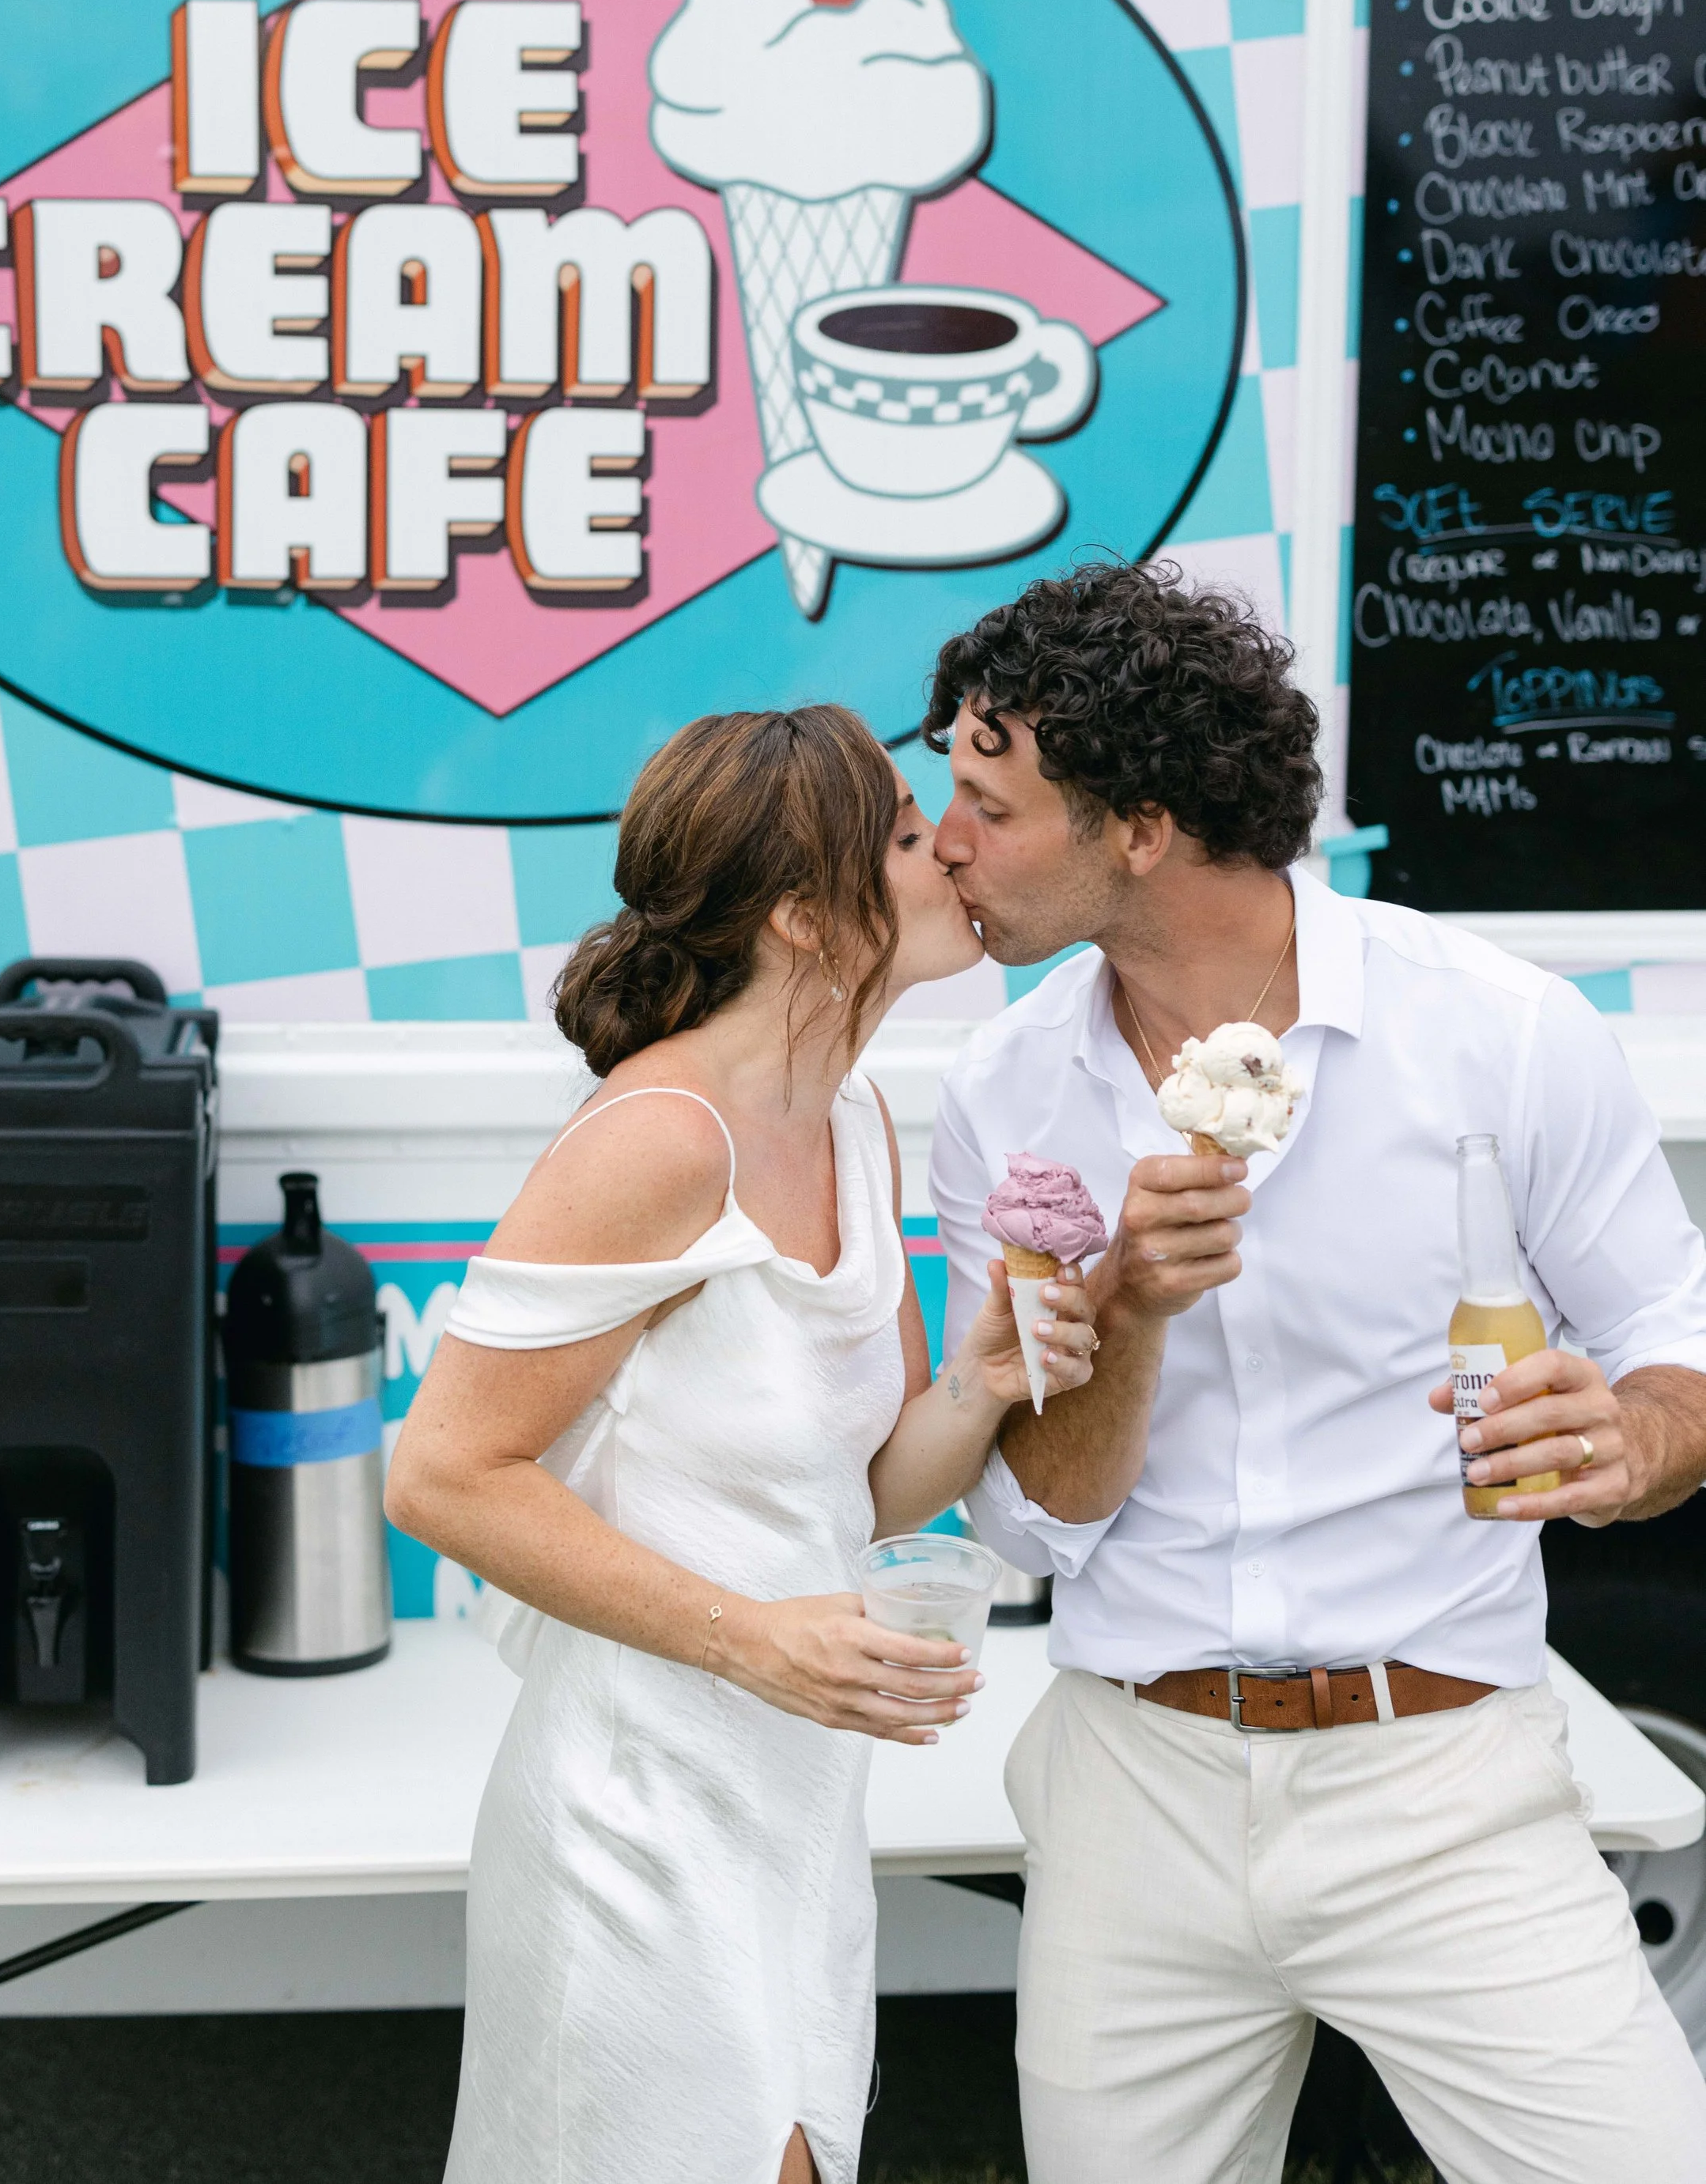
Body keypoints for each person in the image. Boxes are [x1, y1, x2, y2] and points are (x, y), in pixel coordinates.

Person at [923, 559, 1706, 2184]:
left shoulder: (1494, 1028)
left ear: (1138, 823)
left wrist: (1628, 1442)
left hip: (1443, 1780)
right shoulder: (1001, 1089)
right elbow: (1028, 1528)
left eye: (988, 803)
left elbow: (1673, 1344)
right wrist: (1127, 1308)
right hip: (1131, 1781)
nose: (943, 842)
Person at [388, 704, 1098, 2184]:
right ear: (799, 911)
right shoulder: (659, 1138)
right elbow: (442, 1472)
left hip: (794, 1801)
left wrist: (979, 1381)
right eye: (908, 837)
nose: (953, 846)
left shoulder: (856, 1121)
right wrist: (755, 1640)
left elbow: (878, 1488)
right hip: (634, 1810)